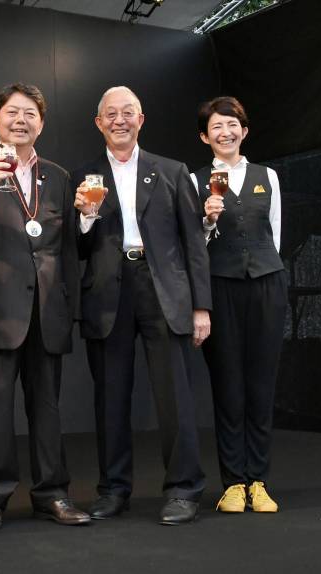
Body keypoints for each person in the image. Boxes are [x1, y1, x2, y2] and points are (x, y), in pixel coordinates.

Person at [0, 83, 88, 530]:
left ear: (41, 124)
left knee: (46, 407)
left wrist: (70, 307)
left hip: (46, 310)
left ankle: (53, 493)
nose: (21, 120)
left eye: (30, 114)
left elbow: (67, 249)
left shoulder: (59, 176)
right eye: (12, 112)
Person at [72, 86, 212, 525]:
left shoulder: (173, 171)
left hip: (163, 289)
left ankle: (184, 489)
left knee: (175, 398)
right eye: (110, 114)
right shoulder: (85, 175)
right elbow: (76, 246)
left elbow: (194, 243)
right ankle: (113, 489)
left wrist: (201, 307)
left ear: (141, 119)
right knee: (111, 397)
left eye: (127, 112)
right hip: (108, 292)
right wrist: (86, 217)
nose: (119, 120)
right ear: (98, 123)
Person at [191, 96, 285, 514]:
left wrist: (266, 270)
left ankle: (258, 480)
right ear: (204, 136)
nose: (225, 132)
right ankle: (233, 483)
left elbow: (275, 233)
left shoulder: (268, 176)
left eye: (232, 125)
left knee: (261, 386)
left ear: (243, 131)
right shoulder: (196, 181)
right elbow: (195, 246)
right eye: (216, 127)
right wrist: (208, 220)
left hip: (266, 285)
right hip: (221, 288)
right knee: (228, 385)